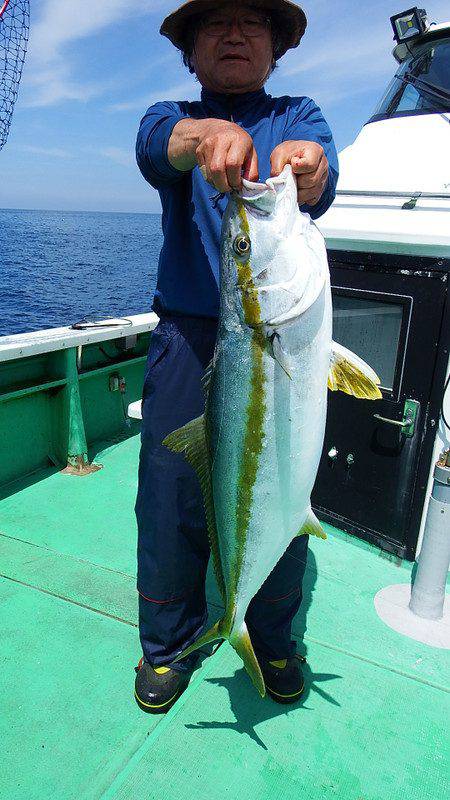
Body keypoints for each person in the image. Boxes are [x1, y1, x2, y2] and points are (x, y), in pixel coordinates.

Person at [134, 0, 339, 713]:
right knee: (170, 503)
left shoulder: (298, 113)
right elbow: (157, 143)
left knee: (280, 485)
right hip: (188, 342)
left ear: (275, 49)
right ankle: (167, 645)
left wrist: (308, 169)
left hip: (276, 332)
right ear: (190, 53)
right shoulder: (171, 114)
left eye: (253, 23)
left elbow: (320, 168)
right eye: (214, 24)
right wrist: (199, 136)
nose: (234, 33)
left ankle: (270, 634)